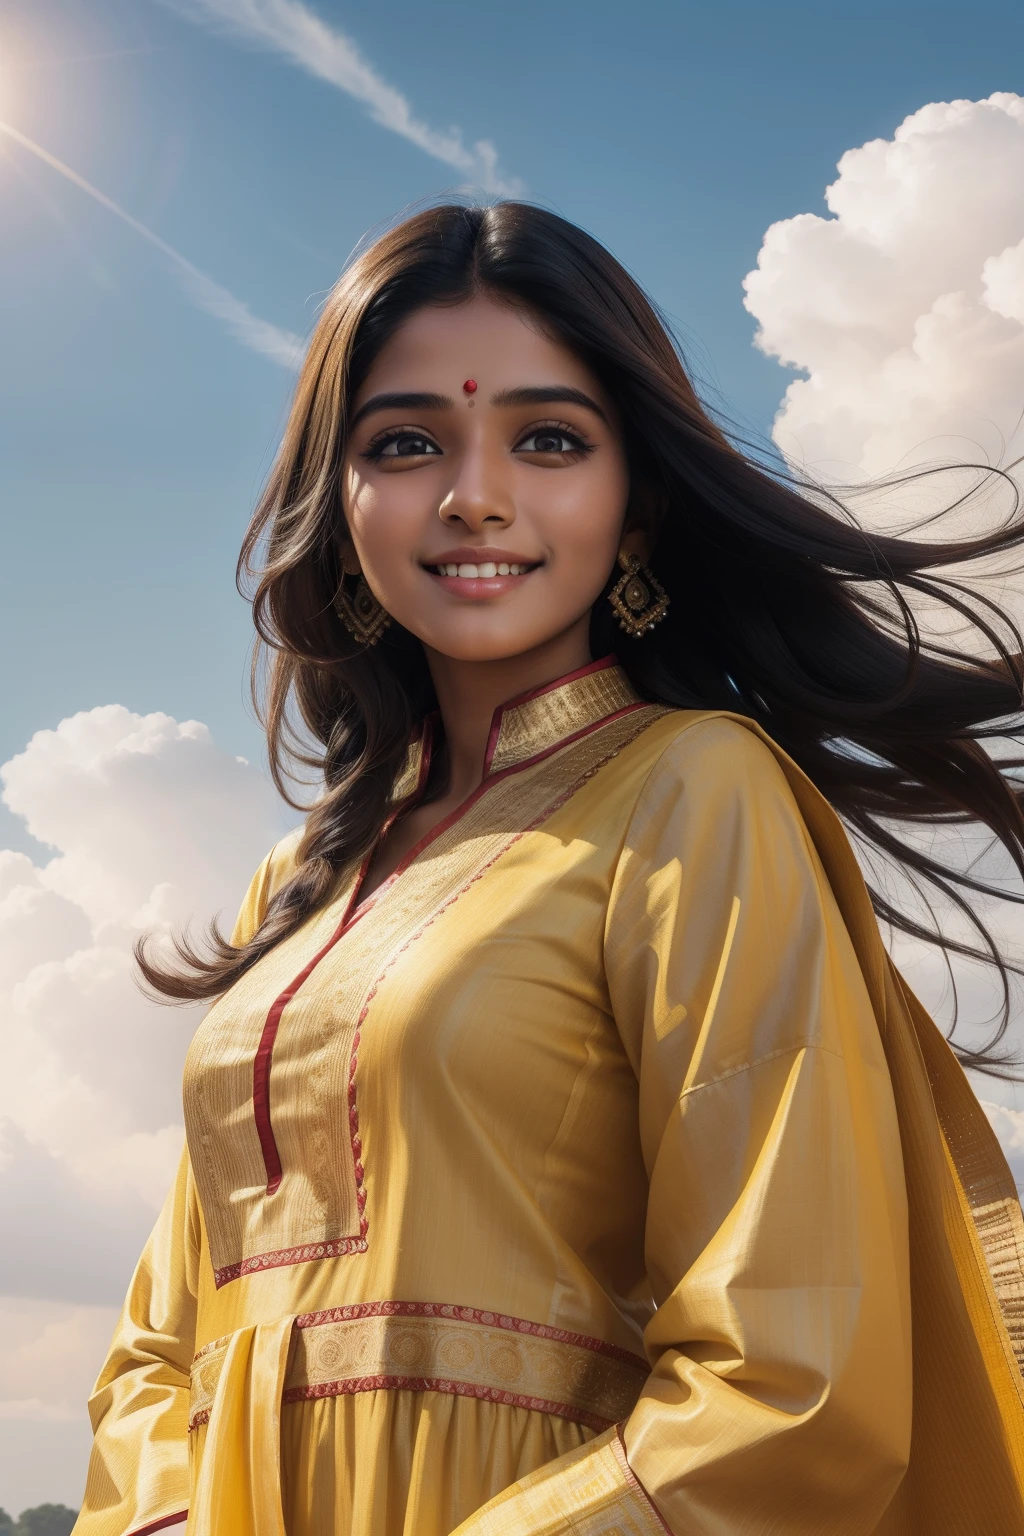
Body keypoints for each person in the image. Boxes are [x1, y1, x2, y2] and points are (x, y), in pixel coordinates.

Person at [73, 203, 1024, 1536]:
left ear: (637, 502)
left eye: (549, 440)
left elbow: (793, 1378)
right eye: (406, 442)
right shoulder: (300, 880)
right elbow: (164, 1337)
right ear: (336, 504)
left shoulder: (697, 793)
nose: (475, 493)